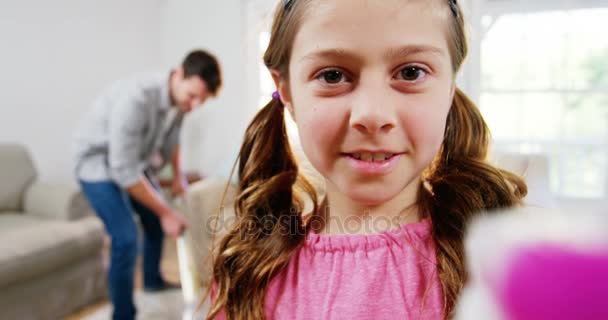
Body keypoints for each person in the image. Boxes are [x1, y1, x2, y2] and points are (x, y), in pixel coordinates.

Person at [207, 0, 526, 319]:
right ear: (286, 92)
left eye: (411, 72)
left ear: (450, 88)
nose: (373, 115)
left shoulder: (506, 265)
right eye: (332, 76)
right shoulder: (250, 276)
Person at [73, 49, 222, 320]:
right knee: (126, 237)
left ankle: (153, 280)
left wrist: (179, 176)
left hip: (133, 163)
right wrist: (167, 212)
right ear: (178, 74)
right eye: (192, 96)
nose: (194, 105)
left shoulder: (181, 102)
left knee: (154, 221)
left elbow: (174, 137)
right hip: (97, 165)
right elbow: (123, 170)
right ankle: (123, 313)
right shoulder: (137, 98)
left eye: (201, 100)